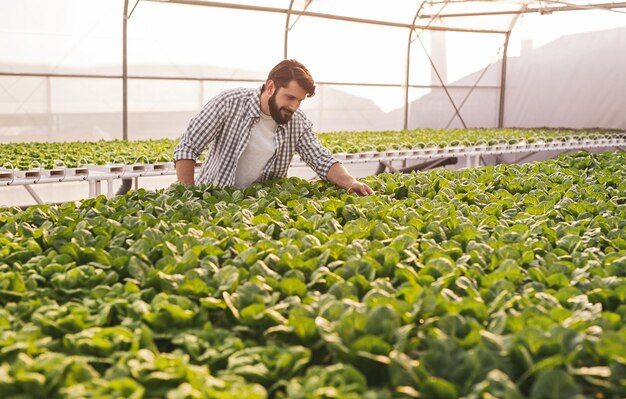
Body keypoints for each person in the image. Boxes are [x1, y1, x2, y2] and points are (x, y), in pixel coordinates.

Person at [173, 59, 374, 196]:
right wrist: (190, 195)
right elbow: (188, 147)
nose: (294, 106)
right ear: (270, 87)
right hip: (214, 199)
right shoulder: (229, 103)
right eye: (290, 97)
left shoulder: (297, 122)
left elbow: (321, 158)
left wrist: (350, 182)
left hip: (261, 206)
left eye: (300, 101)